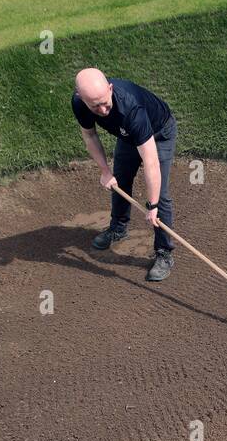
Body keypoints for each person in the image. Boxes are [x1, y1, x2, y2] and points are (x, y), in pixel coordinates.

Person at [72, 67, 178, 281]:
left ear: (110, 88)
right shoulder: (79, 104)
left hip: (159, 133)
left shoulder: (131, 108)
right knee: (119, 180)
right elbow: (90, 136)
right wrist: (105, 172)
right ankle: (118, 228)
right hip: (128, 135)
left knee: (161, 196)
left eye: (105, 102)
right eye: (95, 106)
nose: (102, 110)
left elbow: (151, 161)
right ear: (81, 99)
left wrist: (153, 205)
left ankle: (164, 252)